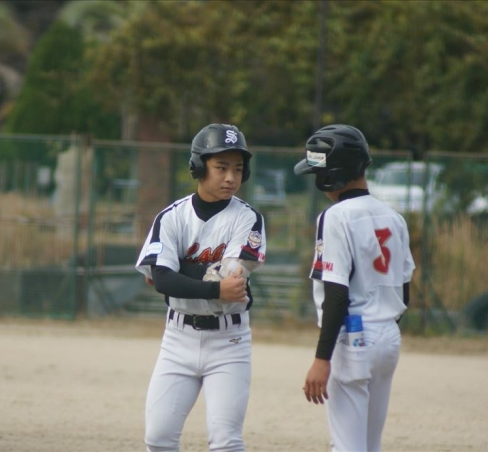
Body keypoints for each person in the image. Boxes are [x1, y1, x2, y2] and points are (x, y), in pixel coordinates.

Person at [135, 123, 267, 452]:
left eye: (238, 169)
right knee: (158, 438)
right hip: (177, 340)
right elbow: (162, 280)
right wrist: (214, 289)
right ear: (198, 166)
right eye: (221, 167)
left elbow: (230, 276)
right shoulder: (171, 217)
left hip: (229, 341)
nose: (231, 177)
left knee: (225, 442)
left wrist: (179, 270)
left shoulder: (248, 219)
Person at [293, 124, 415, 452]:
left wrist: (322, 358)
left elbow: (336, 294)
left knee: (348, 446)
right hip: (388, 336)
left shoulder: (335, 216)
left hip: (353, 336)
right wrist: (381, 328)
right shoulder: (394, 218)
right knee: (370, 445)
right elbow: (404, 289)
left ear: (331, 175)